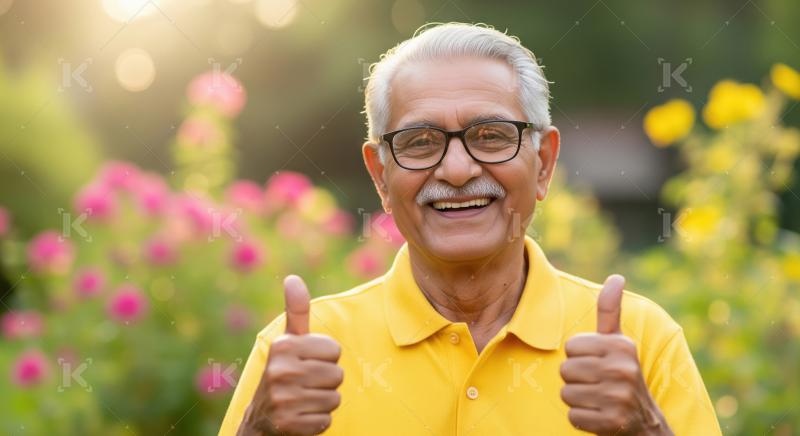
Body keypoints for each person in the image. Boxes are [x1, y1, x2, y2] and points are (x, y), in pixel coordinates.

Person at [220, 22, 722, 435]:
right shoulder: (302, 356)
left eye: (491, 135)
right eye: (420, 141)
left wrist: (647, 429)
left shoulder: (641, 342)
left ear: (544, 163)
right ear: (380, 176)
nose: (457, 170)